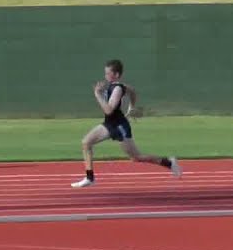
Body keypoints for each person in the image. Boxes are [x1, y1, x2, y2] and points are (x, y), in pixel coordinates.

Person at [72, 59, 182, 188]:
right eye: (105, 73)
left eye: (108, 73)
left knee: (136, 157)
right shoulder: (118, 86)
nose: (105, 76)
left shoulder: (118, 89)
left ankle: (168, 162)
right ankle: (90, 178)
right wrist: (132, 107)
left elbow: (108, 110)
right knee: (86, 142)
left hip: (119, 127)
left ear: (116, 75)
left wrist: (97, 94)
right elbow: (133, 91)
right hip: (109, 124)